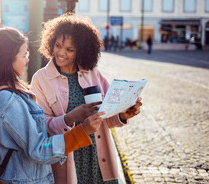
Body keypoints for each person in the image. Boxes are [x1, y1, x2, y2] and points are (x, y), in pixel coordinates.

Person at [0, 27, 105, 183]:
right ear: (7, 59)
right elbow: (39, 150)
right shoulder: (7, 101)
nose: (27, 59)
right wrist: (83, 131)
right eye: (24, 54)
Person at [30, 14, 143, 184]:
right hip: (67, 158)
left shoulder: (92, 73)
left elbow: (106, 116)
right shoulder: (41, 79)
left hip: (98, 156)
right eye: (58, 45)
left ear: (81, 51)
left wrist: (123, 115)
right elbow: (40, 127)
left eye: (70, 49)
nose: (61, 53)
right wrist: (70, 117)